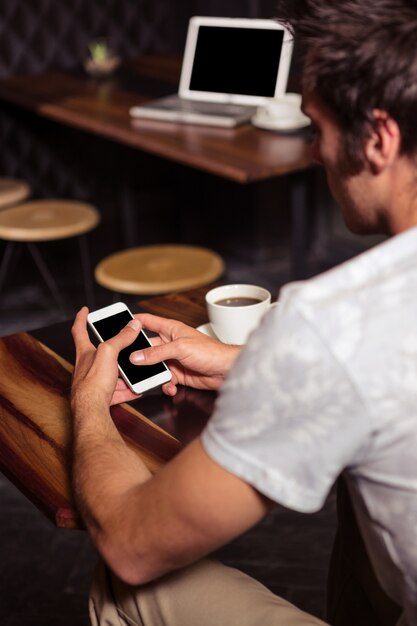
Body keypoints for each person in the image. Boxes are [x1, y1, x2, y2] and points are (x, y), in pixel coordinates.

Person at [71, 0, 417, 624]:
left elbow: (132, 545)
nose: (314, 152)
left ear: (379, 138)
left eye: (318, 127)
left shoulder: (334, 321)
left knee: (120, 586)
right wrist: (247, 364)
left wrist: (86, 403)